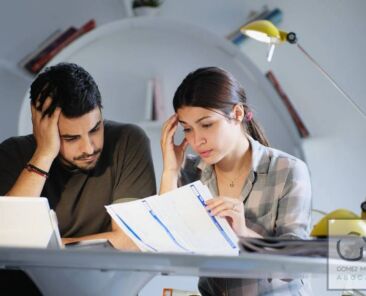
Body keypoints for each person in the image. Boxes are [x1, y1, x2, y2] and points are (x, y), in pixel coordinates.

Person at [160, 67, 312, 295]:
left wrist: (244, 234)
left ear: (237, 114)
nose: (197, 140)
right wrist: (170, 170)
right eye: (187, 130)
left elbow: (297, 265)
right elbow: (164, 243)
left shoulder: (288, 170)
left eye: (207, 124)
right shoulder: (190, 172)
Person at [0, 62, 156, 247]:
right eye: (71, 138)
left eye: (95, 129)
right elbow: (7, 239)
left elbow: (132, 241)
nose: (89, 148)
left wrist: (44, 247)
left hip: (104, 275)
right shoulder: (13, 153)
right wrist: (44, 155)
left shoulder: (128, 140)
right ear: (42, 128)